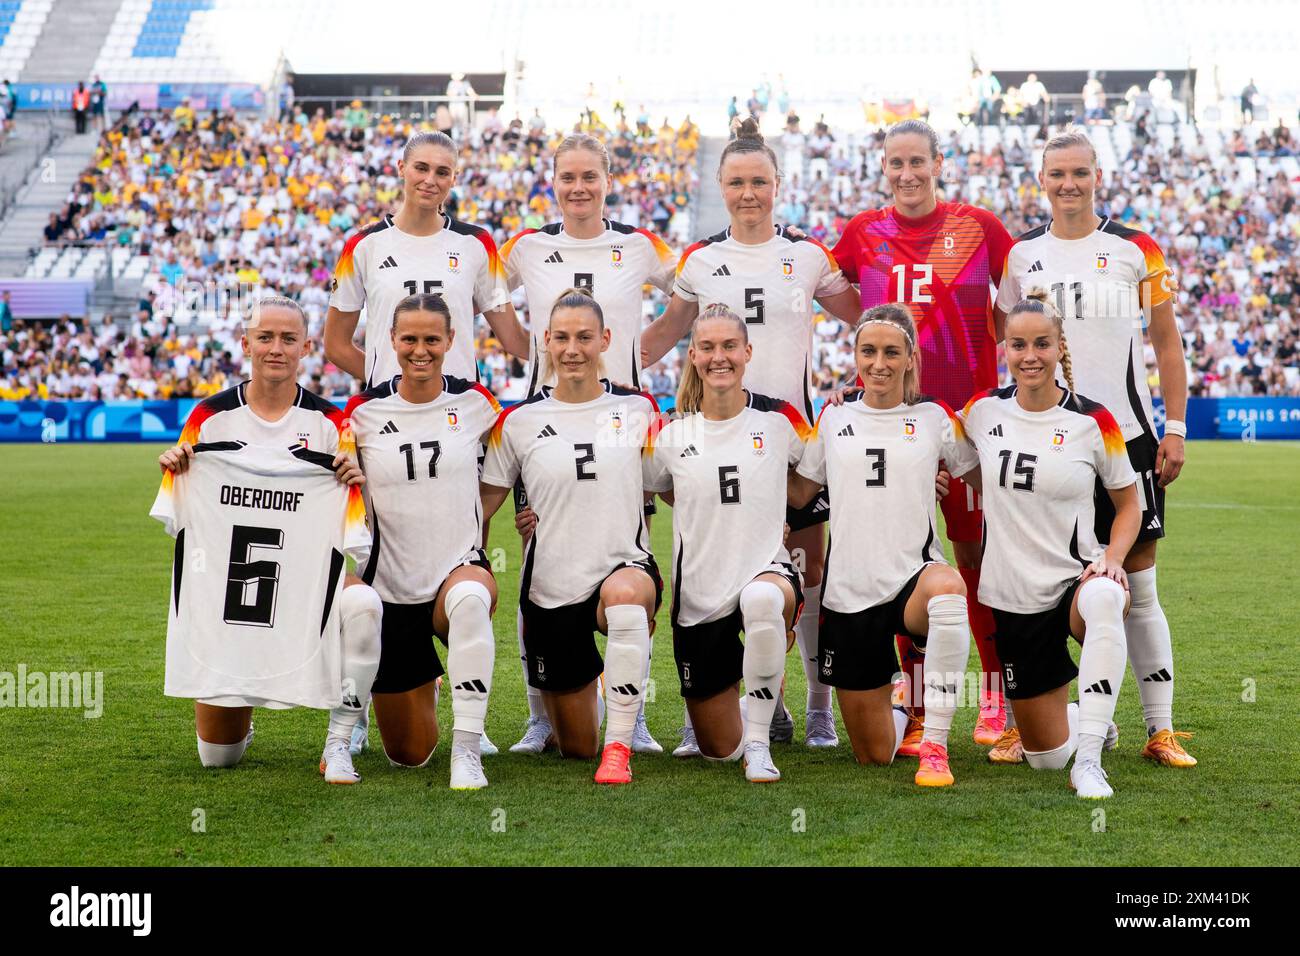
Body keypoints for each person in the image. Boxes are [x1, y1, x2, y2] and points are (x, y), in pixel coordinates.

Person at [640, 118, 860, 753]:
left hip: (792, 444)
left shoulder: (809, 255)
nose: (748, 193)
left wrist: (867, 386)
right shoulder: (702, 260)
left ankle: (815, 709)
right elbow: (664, 335)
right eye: (736, 182)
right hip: (714, 437)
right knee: (705, 564)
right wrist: (602, 367)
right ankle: (703, 709)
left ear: (777, 183)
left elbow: (868, 319)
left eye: (759, 181)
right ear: (719, 184)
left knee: (808, 572)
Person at [995, 128, 1196, 768]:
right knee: (1031, 582)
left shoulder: (1136, 248)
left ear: (1097, 177)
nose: (1068, 184)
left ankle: (1159, 729)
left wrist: (1176, 426)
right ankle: (1030, 715)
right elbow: (1011, 341)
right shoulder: (1022, 255)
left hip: (1127, 441)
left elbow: (1167, 343)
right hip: (1046, 443)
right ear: (1042, 179)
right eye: (1057, 173)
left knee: (1137, 585)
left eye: (1079, 172)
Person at [830, 118, 1016, 754]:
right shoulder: (863, 234)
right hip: (894, 428)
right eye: (894, 164)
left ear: (939, 162)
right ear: (883, 168)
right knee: (900, 562)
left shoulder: (980, 228)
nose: (906, 174)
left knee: (977, 565)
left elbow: (1014, 310)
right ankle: (912, 706)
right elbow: (842, 302)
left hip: (966, 428)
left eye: (917, 162)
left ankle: (996, 698)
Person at [155, 296, 381, 785]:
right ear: (246, 344)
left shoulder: (331, 424)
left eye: (287, 339)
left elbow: (355, 537)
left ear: (306, 348)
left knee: (363, 604)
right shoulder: (209, 417)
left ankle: (341, 737)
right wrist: (178, 472)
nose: (275, 348)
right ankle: (244, 711)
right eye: (265, 337)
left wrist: (351, 476)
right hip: (229, 601)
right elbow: (180, 518)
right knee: (217, 758)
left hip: (304, 584)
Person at [498, 133, 674, 756]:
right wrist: (529, 352)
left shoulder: (637, 245)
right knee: (537, 555)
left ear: (607, 179)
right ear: (553, 180)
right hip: (545, 422)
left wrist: (643, 350)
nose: (578, 187)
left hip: (616, 416)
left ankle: (638, 718)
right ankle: (538, 717)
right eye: (567, 176)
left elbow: (689, 296)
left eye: (589, 177)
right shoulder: (526, 248)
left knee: (631, 544)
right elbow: (489, 300)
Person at [960, 290, 1139, 798]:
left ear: (1060, 346)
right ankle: (1090, 723)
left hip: (1074, 581)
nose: (1030, 355)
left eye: (1042, 343)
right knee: (1042, 759)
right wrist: (848, 394)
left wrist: (1112, 559)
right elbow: (928, 436)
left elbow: (1130, 506)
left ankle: (1089, 764)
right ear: (1005, 349)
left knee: (1105, 595)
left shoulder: (1093, 420)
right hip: (1013, 596)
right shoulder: (980, 412)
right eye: (1018, 345)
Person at [480, 289, 662, 784]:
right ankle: (591, 712)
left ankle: (622, 744)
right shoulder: (517, 422)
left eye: (585, 337)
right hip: (552, 586)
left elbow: (678, 485)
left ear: (605, 340)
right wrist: (472, 564)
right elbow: (482, 502)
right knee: (576, 747)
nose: (573, 348)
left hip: (624, 566)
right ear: (546, 342)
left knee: (625, 599)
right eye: (561, 337)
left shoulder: (640, 411)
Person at [789, 305, 976, 786]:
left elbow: (985, 476)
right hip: (850, 594)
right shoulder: (833, 416)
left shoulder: (936, 417)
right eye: (868, 351)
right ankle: (902, 712)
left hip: (913, 580)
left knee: (950, 591)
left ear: (911, 357)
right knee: (874, 756)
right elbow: (799, 491)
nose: (879, 363)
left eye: (892, 352)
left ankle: (935, 744)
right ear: (853, 355)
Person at [342, 294, 502, 789]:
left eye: (432, 339)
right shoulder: (362, 414)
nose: (420, 349)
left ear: (451, 341)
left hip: (456, 570)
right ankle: (396, 693)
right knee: (409, 756)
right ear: (390, 341)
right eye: (408, 338)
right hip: (390, 588)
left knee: (471, 598)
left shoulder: (477, 403)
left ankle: (468, 748)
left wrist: (515, 514)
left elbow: (518, 465)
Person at [644, 305, 806, 782]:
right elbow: (651, 487)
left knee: (761, 600)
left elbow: (816, 478)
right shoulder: (670, 435)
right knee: (719, 751)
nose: (720, 357)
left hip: (766, 574)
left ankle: (760, 743)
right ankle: (757, 698)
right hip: (699, 595)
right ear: (692, 355)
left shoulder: (778, 424)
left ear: (747, 352)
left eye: (729, 346)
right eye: (708, 347)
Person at [325, 131, 530, 389]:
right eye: (421, 168)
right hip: (390, 413)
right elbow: (336, 345)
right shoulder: (362, 245)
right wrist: (391, 383)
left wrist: (583, 355)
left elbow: (513, 338)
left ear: (454, 178)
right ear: (401, 168)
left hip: (461, 415)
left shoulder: (478, 243)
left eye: (442, 172)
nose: (430, 180)